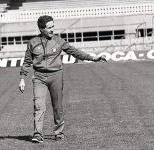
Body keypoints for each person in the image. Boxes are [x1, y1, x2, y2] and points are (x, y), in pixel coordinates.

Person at [19, 15, 107, 143]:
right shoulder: (32, 43)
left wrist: (93, 58)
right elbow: (27, 62)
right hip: (39, 78)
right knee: (39, 106)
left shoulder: (59, 41)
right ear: (41, 29)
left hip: (56, 77)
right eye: (49, 28)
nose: (52, 30)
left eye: (53, 26)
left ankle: (59, 133)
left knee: (57, 106)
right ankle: (38, 134)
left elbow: (75, 52)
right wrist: (22, 78)